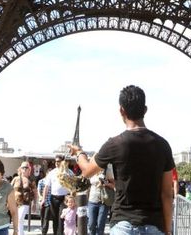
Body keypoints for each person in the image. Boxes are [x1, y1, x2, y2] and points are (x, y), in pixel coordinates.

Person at [69, 85, 175, 235]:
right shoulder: (163, 145)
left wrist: (79, 153)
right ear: (145, 110)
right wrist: (168, 229)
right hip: (153, 224)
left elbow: (86, 171)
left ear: (121, 110)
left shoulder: (114, 144)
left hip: (123, 224)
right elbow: (167, 193)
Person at [40, 155, 70, 235]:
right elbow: (46, 187)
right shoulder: (52, 173)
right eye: (55, 161)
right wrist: (43, 199)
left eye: (58, 161)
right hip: (53, 198)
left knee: (61, 218)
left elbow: (73, 185)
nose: (56, 163)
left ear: (62, 162)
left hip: (64, 199)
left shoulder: (68, 172)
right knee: (54, 218)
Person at [87, 164, 115, 235]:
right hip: (92, 200)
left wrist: (104, 183)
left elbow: (114, 185)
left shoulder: (107, 171)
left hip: (103, 201)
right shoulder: (91, 171)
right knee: (91, 224)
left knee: (100, 225)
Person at [11, 161, 37, 235]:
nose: (25, 169)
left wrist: (34, 203)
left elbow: (35, 193)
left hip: (25, 202)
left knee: (20, 219)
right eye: (23, 167)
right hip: (15, 202)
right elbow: (9, 189)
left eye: (26, 167)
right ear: (20, 169)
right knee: (16, 220)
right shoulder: (15, 179)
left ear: (29, 169)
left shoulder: (31, 180)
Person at [37, 168, 52, 235]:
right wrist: (40, 198)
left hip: (50, 202)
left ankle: (44, 232)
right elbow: (39, 191)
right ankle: (43, 229)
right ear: (47, 174)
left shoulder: (52, 182)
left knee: (46, 218)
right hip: (42, 202)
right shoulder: (41, 181)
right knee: (42, 217)